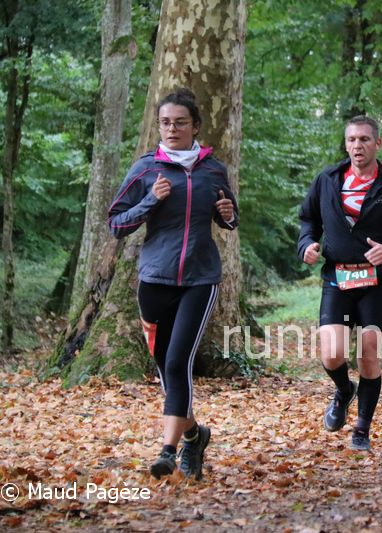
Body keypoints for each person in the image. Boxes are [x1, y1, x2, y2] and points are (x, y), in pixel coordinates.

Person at [108, 88, 239, 480]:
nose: (172, 129)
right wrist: (150, 199)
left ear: (195, 126)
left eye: (180, 122)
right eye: (165, 122)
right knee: (167, 369)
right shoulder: (146, 169)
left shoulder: (213, 169)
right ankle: (195, 436)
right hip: (154, 281)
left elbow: (229, 218)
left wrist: (228, 213)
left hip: (200, 280)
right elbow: (116, 224)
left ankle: (168, 450)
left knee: (179, 361)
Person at [297, 115, 382, 451]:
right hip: (337, 278)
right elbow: (308, 220)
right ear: (346, 144)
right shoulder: (327, 180)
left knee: (369, 355)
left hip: (375, 283)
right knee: (331, 354)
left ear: (377, 144)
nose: (357, 146)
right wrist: (306, 244)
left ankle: (361, 430)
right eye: (352, 140)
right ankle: (344, 390)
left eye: (365, 139)